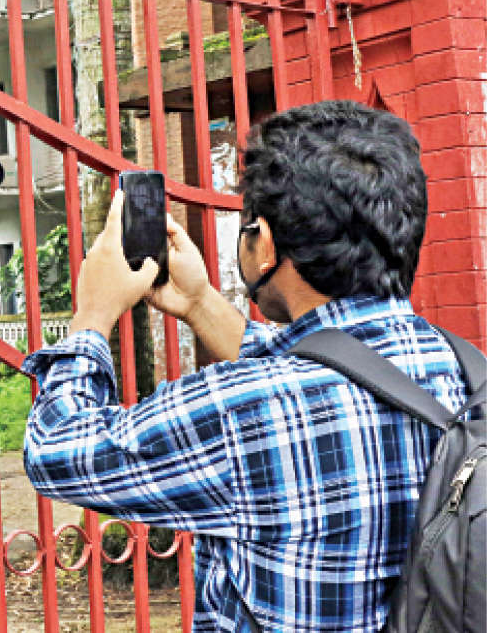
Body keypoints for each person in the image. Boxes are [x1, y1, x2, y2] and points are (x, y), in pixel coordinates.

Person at [23, 100, 471, 632]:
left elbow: (55, 451)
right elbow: (331, 367)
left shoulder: (244, 412)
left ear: (265, 246)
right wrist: (199, 303)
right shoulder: (461, 368)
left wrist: (93, 316)